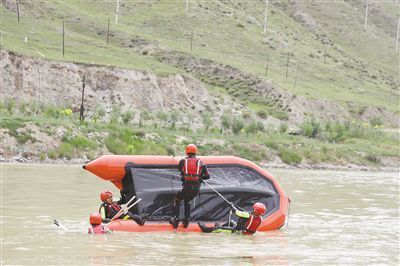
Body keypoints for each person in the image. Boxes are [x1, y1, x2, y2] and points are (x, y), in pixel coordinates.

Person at [170, 144, 210, 228]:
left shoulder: (182, 161)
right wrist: (199, 178)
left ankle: (175, 220)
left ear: (187, 151)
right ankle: (186, 221)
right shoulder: (201, 163)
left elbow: (180, 170)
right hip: (196, 189)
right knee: (187, 200)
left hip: (186, 187)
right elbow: (207, 176)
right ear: (195, 152)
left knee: (177, 199)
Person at [197, 202, 267, 235]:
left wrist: (232, 206)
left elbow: (237, 213)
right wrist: (236, 207)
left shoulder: (248, 215)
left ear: (255, 210)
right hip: (245, 232)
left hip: (238, 232)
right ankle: (220, 226)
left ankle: (206, 229)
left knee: (218, 229)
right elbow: (245, 214)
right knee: (231, 221)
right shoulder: (260, 218)